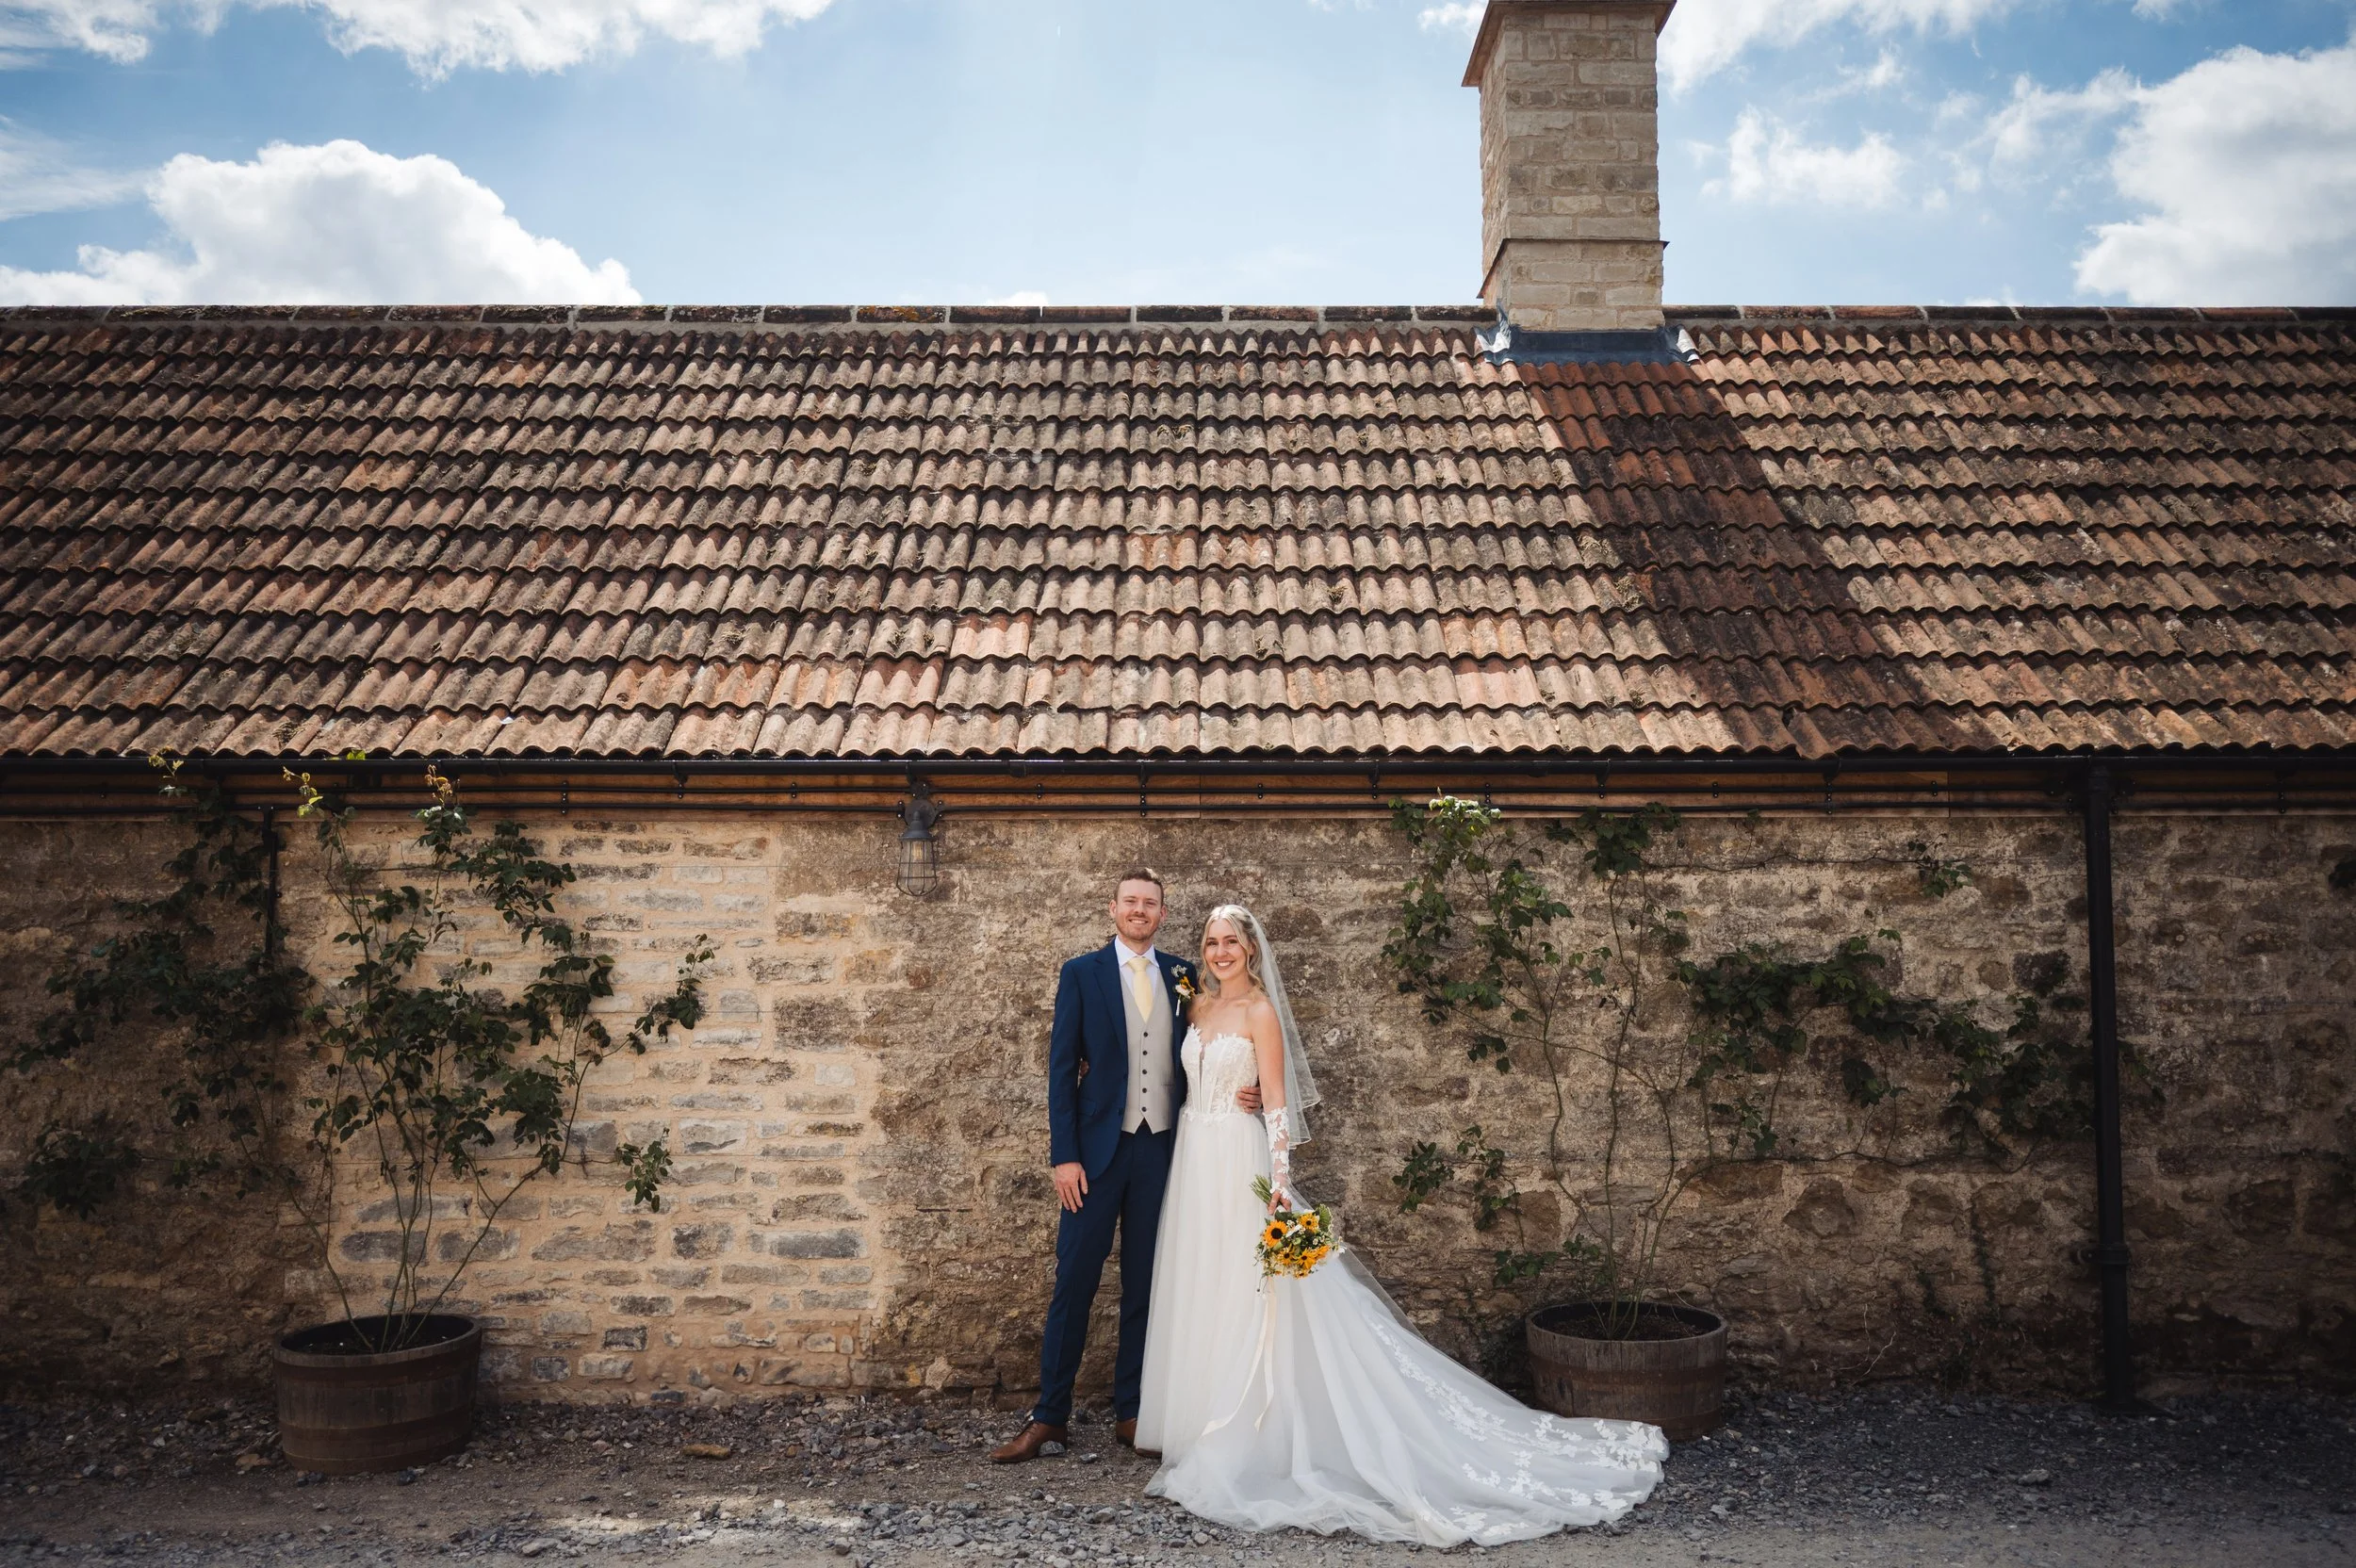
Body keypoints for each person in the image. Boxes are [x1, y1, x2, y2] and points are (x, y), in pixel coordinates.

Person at [1134, 905, 1669, 1545]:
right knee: (1205, 1284)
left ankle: (1250, 1430)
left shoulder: (1260, 1013)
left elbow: (1276, 1105)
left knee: (1252, 1294)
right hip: (1194, 1159)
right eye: (1211, 942)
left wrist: (1278, 1189)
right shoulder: (1196, 1006)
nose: (1220, 951)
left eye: (1231, 942)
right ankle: (1195, 1421)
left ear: (1251, 949)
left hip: (1238, 1159)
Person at [990, 870, 1261, 1463]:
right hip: (1093, 1155)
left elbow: (1222, 1044)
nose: (1140, 910)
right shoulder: (1081, 973)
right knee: (1074, 1281)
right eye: (1131, 902)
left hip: (1162, 1151)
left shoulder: (1185, 976)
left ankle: (1134, 1411)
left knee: (1147, 1283)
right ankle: (1049, 1416)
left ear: (1162, 914)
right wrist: (1064, 1156)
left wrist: (1255, 1088)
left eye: (1150, 904)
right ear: (1112, 908)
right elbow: (1062, 1070)